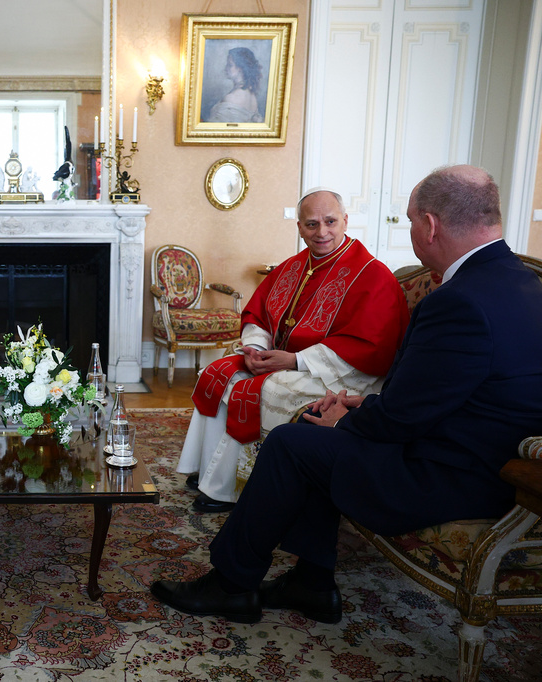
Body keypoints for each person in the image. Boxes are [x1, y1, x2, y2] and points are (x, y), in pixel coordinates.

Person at [151, 165, 542, 625]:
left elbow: (405, 417)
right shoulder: (524, 285)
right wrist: (358, 406)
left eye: (412, 221)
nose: (412, 230)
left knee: (293, 442)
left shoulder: (458, 301)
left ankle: (231, 585)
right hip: (484, 461)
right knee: (315, 434)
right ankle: (312, 584)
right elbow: (441, 396)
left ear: (430, 225)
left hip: (451, 477)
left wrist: (346, 418)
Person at [178, 189, 409, 513]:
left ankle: (227, 487)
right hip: (283, 361)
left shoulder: (373, 275)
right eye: (312, 224)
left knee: (254, 387)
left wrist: (296, 360)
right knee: (217, 371)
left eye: (330, 222)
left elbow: (371, 346)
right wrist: (256, 349)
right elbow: (259, 314)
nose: (322, 232)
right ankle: (207, 470)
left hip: (343, 375)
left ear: (345, 220)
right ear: (299, 227)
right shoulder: (293, 266)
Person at [207, 47, 264, 123]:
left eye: (230, 65)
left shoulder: (231, 98)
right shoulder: (252, 95)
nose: (225, 68)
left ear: (240, 68)